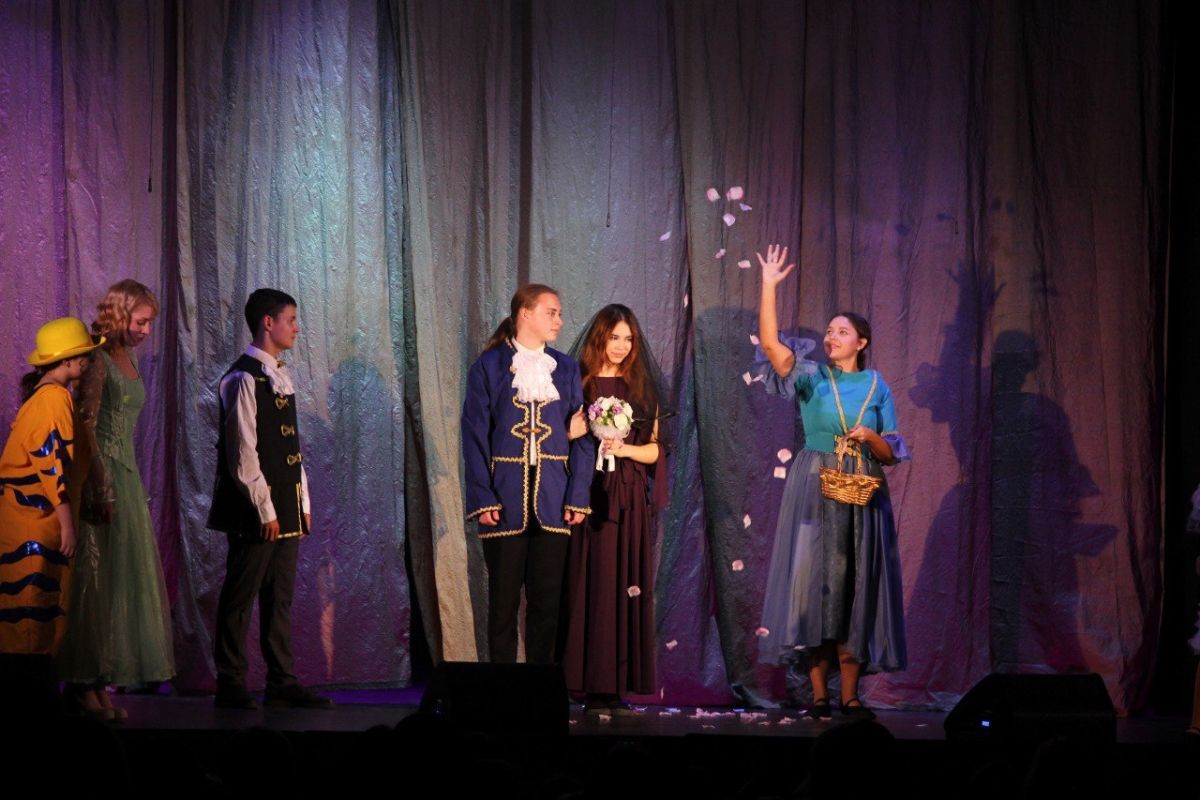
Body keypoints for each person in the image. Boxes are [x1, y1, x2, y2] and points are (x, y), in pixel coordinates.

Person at [753, 244, 909, 720]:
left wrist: (870, 437)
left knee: (856, 584)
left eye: (842, 331)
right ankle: (820, 695)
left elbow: (891, 452)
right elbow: (771, 346)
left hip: (862, 487)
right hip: (814, 483)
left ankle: (851, 694)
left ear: (862, 342)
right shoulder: (811, 376)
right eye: (829, 330)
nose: (831, 336)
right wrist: (769, 286)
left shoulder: (876, 385)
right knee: (814, 584)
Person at [207, 288, 332, 710]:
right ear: (268, 322)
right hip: (255, 509)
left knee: (280, 596)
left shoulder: (278, 375)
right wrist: (265, 508)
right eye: (290, 320)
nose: (296, 328)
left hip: (285, 505)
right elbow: (243, 453)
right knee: (241, 594)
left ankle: (282, 680)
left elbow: (290, 449)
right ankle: (230, 680)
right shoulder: (243, 378)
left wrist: (303, 503)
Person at [57, 281, 175, 721]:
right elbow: (85, 425)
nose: (145, 331)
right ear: (120, 315)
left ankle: (101, 681)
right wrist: (99, 485)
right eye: (140, 322)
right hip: (100, 475)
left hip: (127, 475)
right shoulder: (98, 359)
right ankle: (81, 682)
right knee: (96, 579)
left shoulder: (129, 358)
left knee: (119, 582)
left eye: (149, 324)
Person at [461, 284, 595, 664]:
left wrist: (577, 496)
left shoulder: (566, 368)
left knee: (546, 608)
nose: (559, 320)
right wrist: (483, 497)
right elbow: (474, 435)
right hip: (504, 499)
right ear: (525, 313)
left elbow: (583, 437)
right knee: (502, 607)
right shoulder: (489, 366)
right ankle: (503, 690)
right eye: (551, 312)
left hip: (554, 498)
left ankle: (539, 689)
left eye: (559, 313)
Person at [562, 304, 667, 714]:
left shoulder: (643, 389)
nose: (621, 346)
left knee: (625, 582)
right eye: (614, 337)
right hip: (588, 493)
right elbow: (562, 438)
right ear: (600, 338)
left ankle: (616, 686)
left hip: (628, 495)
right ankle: (585, 683)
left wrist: (623, 449)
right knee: (590, 583)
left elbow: (656, 450)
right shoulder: (579, 383)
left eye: (628, 339)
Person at [0, 318, 101, 658]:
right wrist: (67, 524)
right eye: (85, 355)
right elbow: (50, 464)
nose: (88, 362)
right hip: (34, 521)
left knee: (33, 612)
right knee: (31, 613)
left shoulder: (48, 396)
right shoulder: (53, 399)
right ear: (68, 360)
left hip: (33, 517)